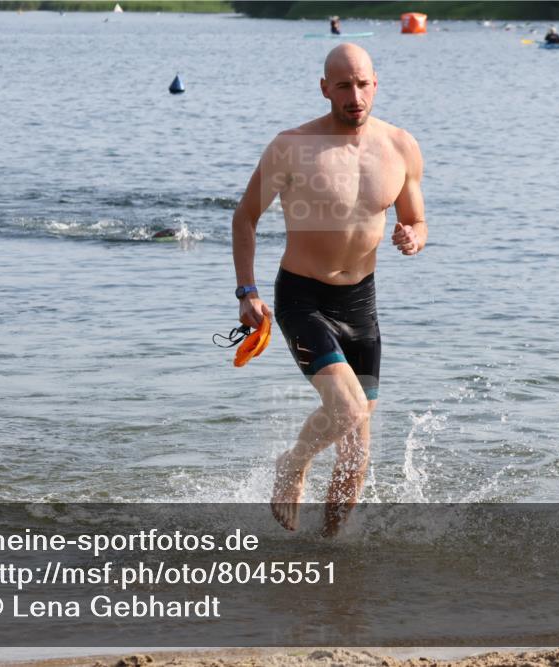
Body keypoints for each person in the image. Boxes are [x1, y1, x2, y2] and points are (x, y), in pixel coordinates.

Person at [231, 43, 427, 536]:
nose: (354, 96)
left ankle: (329, 554)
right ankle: (293, 463)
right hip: (304, 299)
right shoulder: (291, 147)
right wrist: (247, 290)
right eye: (343, 86)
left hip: (361, 305)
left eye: (362, 85)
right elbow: (245, 217)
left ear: (375, 84)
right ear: (324, 89)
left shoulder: (400, 146)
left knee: (357, 452)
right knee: (348, 408)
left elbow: (416, 218)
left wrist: (413, 236)